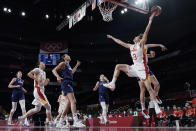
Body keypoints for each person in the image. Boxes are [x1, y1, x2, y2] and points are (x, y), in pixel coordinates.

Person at [104, 12, 161, 115]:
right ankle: (112, 83)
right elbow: (120, 42)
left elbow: (146, 31)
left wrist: (150, 20)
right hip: (135, 68)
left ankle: (156, 106)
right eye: (135, 37)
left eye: (136, 37)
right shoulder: (130, 46)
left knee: (149, 88)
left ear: (139, 39)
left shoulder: (141, 44)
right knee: (118, 66)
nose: (134, 37)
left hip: (143, 69)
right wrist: (112, 38)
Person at [52, 54, 85, 128]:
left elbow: (72, 72)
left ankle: (60, 123)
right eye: (67, 55)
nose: (69, 56)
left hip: (69, 83)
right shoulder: (63, 63)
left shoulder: (68, 65)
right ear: (64, 58)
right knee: (73, 101)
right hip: (66, 83)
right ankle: (76, 121)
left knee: (68, 103)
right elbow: (53, 70)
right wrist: (57, 76)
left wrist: (76, 65)